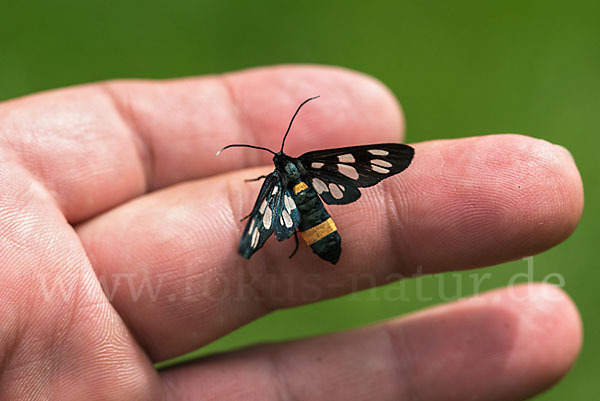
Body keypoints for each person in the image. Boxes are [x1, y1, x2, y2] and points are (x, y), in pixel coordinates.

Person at [0, 65, 583, 400]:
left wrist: (269, 208)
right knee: (270, 227)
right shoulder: (324, 168)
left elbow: (266, 222)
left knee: (266, 225)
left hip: (306, 224)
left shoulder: (271, 190)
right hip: (322, 218)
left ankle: (305, 233)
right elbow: (371, 166)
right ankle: (312, 232)